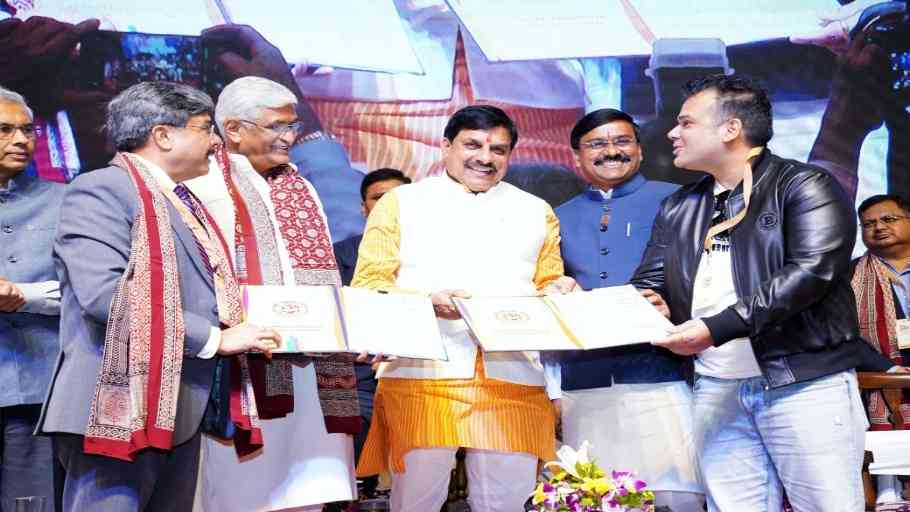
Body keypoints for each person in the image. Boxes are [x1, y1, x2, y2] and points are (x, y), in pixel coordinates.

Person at [36, 81, 280, 511]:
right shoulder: (101, 189)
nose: (216, 142)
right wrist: (215, 338)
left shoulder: (180, 200)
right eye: (205, 128)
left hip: (178, 404)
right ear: (163, 135)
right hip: (115, 405)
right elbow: (105, 296)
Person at [632, 74, 869, 511]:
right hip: (715, 386)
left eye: (686, 123)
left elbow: (812, 273)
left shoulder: (804, 185)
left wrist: (717, 327)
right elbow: (650, 281)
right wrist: (647, 304)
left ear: (731, 129)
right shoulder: (680, 205)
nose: (672, 133)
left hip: (802, 381)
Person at [352, 105, 571, 511]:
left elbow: (547, 282)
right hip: (424, 374)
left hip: (512, 375)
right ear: (446, 146)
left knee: (507, 502)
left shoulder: (536, 210)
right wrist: (426, 302)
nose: (485, 158)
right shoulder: (401, 202)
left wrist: (559, 289)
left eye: (498, 150)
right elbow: (369, 285)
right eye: (473, 145)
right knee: (416, 501)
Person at [185, 76, 360, 511]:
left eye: (292, 126)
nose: (289, 137)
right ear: (233, 129)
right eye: (276, 126)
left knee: (310, 485)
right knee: (243, 490)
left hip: (314, 364)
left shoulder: (300, 186)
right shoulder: (201, 185)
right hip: (243, 363)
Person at [554, 108, 703, 511]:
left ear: (639, 149)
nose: (611, 151)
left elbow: (709, 274)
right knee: (593, 492)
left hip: (662, 369)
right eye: (597, 144)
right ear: (576, 156)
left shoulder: (679, 200)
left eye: (622, 141)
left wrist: (676, 305)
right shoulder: (557, 216)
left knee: (677, 490)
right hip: (585, 376)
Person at [0, 87, 62, 511]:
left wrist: (24, 295)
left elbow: (93, 290)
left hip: (36, 384)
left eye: (27, 130)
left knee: (31, 503)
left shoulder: (66, 200)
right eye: (5, 130)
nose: (21, 140)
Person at [850, 194, 910, 505]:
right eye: (868, 223)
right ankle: (890, 487)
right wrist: (888, 368)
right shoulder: (848, 276)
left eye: (889, 219)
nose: (878, 227)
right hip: (880, 375)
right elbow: (841, 335)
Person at [334, 168, 411, 286]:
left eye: (395, 198)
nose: (387, 204)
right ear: (364, 208)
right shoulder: (338, 254)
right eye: (379, 198)